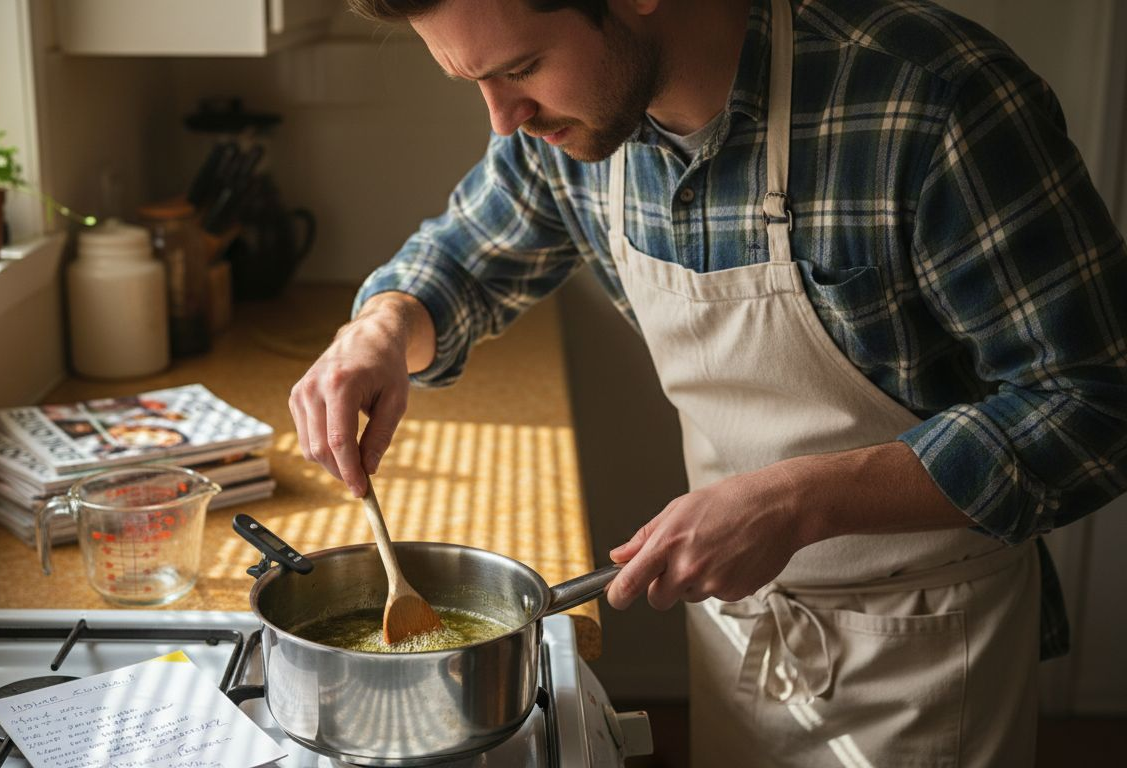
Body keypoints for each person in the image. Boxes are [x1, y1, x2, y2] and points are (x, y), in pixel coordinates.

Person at [288, 0, 1127, 765]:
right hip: (737, 628)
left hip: (928, 646)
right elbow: (465, 258)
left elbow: (1097, 402)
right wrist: (381, 330)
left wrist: (798, 502)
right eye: (475, 82)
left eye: (521, 68)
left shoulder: (932, 103)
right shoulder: (573, 130)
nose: (504, 120)